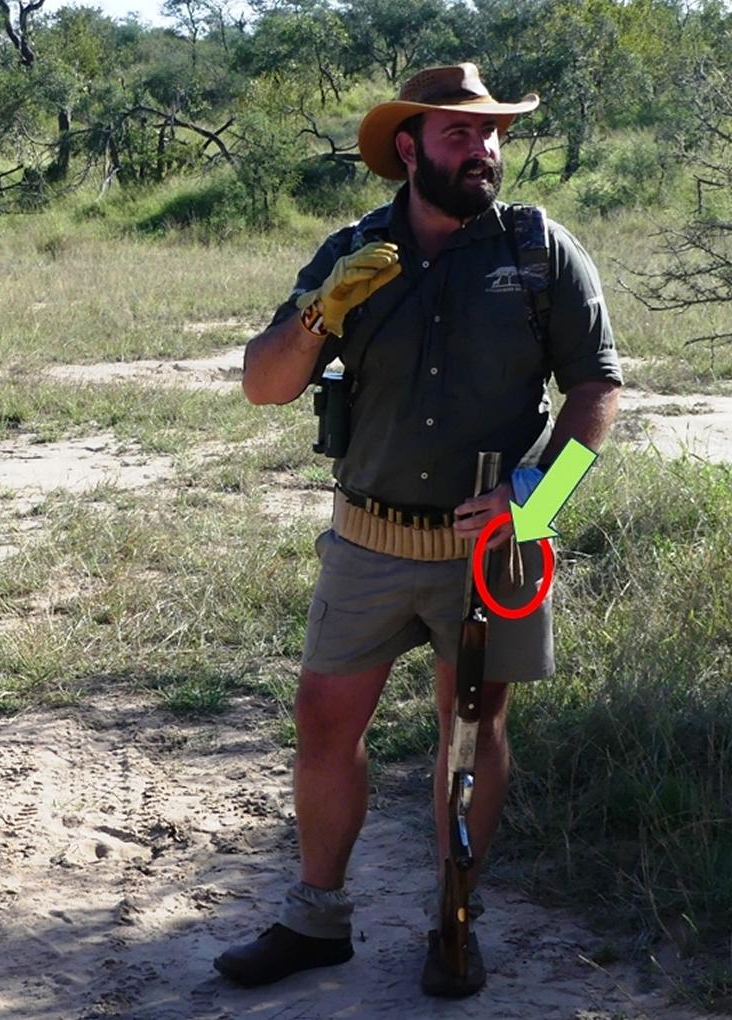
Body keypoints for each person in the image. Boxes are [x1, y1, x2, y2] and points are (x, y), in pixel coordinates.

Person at [215, 61, 621, 997]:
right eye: (458, 134)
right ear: (408, 148)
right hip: (368, 539)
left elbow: (596, 386)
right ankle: (316, 919)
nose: (482, 151)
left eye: (491, 135)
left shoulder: (539, 251)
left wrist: (539, 499)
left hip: (491, 549)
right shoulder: (353, 249)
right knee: (323, 721)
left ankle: (454, 924)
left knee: (471, 737)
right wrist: (323, 313)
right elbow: (263, 383)